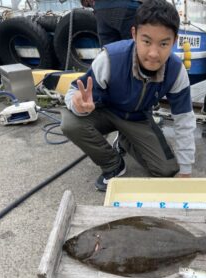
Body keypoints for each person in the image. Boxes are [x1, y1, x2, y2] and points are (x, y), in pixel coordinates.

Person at [61, 0, 196, 192]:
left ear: (174, 41)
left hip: (137, 117)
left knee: (167, 171)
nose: (153, 53)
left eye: (164, 43)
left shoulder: (176, 71)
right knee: (70, 122)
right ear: (134, 34)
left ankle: (125, 139)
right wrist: (78, 104)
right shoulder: (109, 59)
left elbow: (184, 120)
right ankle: (113, 165)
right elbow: (74, 91)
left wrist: (186, 170)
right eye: (146, 41)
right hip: (105, 110)